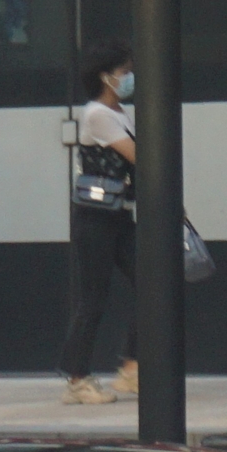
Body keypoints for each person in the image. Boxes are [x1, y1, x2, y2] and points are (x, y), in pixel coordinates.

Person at [61, 38, 140, 405]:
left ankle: (132, 368)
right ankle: (77, 379)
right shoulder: (97, 114)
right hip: (96, 219)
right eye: (125, 72)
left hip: (119, 216)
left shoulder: (120, 112)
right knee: (93, 298)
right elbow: (138, 155)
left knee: (151, 282)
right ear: (106, 77)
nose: (130, 77)